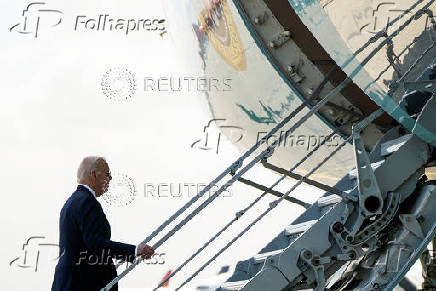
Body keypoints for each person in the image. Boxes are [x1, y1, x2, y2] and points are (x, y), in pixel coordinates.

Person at [51, 156, 154, 291]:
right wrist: (134, 251)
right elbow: (95, 244)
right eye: (107, 174)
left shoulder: (72, 202)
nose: (110, 179)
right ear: (94, 174)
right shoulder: (87, 202)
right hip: (82, 284)